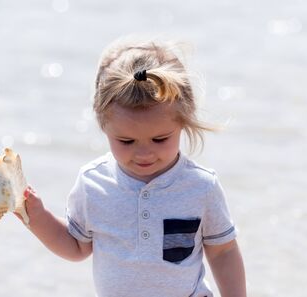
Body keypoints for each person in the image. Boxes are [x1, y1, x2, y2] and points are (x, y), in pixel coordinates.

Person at [16, 37, 247, 297]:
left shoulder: (200, 187)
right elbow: (76, 247)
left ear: (183, 122)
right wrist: (36, 217)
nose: (144, 152)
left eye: (160, 139)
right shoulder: (93, 184)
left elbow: (223, 251)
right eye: (126, 141)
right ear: (104, 126)